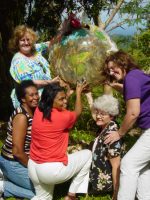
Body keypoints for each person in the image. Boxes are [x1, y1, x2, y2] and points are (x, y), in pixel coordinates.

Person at [28, 82, 92, 200]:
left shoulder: (38, 110)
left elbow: (58, 104)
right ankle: (72, 195)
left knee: (43, 198)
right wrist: (78, 93)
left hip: (33, 167)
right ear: (51, 100)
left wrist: (67, 94)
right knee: (88, 155)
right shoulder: (62, 117)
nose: (65, 101)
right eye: (61, 99)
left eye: (65, 98)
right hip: (50, 170)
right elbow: (77, 112)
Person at [103, 50, 150, 200]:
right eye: (109, 70)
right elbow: (138, 92)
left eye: (114, 67)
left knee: (128, 165)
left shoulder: (131, 78)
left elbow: (132, 113)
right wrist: (118, 86)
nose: (111, 71)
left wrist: (119, 133)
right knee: (144, 169)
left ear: (123, 63)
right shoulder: (137, 75)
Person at [0, 80, 39, 199]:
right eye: (31, 95)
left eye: (36, 93)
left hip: (24, 159)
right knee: (41, 193)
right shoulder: (21, 117)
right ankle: (3, 186)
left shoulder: (34, 111)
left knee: (48, 185)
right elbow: (17, 152)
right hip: (13, 162)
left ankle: (8, 176)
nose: (36, 97)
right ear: (23, 99)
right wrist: (34, 168)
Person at [9, 25, 60, 108]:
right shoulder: (18, 60)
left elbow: (50, 43)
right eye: (22, 40)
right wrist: (50, 82)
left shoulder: (34, 50)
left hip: (47, 98)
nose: (26, 43)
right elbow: (28, 84)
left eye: (28, 39)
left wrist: (64, 31)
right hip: (33, 103)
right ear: (17, 43)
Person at [86, 94, 124, 200]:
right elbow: (95, 116)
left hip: (105, 184)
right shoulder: (105, 125)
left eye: (102, 114)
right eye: (98, 112)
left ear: (111, 116)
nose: (98, 116)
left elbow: (116, 165)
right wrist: (89, 96)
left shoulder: (111, 133)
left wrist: (116, 195)